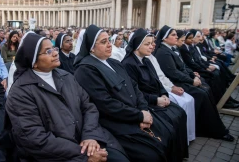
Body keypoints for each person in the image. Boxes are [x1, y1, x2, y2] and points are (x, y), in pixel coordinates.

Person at [6, 32, 128, 161]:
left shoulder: (66, 76)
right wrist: (83, 155)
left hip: (89, 141)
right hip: (59, 155)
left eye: (54, 48)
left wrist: (90, 136)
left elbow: (88, 107)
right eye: (48, 51)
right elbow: (35, 139)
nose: (55, 53)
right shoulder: (20, 92)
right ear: (33, 61)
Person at [74, 25, 178, 162]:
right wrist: (139, 116)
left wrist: (144, 109)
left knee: (168, 131)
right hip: (115, 121)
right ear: (91, 47)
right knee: (150, 154)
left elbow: (134, 87)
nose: (109, 45)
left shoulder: (114, 62)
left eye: (109, 41)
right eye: (103, 42)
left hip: (136, 112)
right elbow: (105, 104)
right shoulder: (86, 69)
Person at [153, 26, 234, 141]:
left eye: (176, 35)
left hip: (181, 79)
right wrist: (191, 80)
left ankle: (214, 125)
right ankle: (211, 129)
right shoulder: (163, 52)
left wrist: (192, 75)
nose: (177, 37)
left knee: (206, 88)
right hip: (176, 82)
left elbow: (183, 67)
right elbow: (173, 73)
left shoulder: (170, 49)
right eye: (173, 35)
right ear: (165, 38)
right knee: (201, 93)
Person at [121, 28, 188, 161]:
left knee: (180, 113)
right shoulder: (128, 64)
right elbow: (135, 92)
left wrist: (163, 94)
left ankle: (179, 155)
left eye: (152, 43)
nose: (152, 46)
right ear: (137, 45)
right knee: (170, 122)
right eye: (147, 44)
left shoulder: (146, 60)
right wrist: (156, 99)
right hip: (147, 103)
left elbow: (157, 81)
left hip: (157, 99)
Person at [148, 36, 195, 143]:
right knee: (182, 105)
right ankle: (183, 139)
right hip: (159, 92)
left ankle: (189, 135)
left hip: (165, 88)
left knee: (190, 99)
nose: (153, 45)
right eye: (149, 43)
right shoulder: (146, 59)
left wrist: (172, 86)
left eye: (153, 42)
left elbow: (162, 76)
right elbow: (155, 82)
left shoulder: (152, 57)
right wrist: (169, 89)